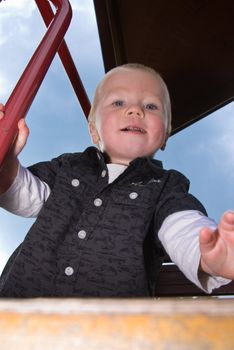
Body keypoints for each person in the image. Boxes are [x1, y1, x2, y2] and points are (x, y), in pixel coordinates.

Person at [0, 63, 233, 297]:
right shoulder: (69, 167)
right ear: (94, 130)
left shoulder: (164, 186)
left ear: (164, 135)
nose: (135, 110)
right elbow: (25, 195)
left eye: (151, 106)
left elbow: (182, 226)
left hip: (110, 327)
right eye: (118, 103)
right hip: (18, 309)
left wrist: (209, 253)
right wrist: (7, 162)